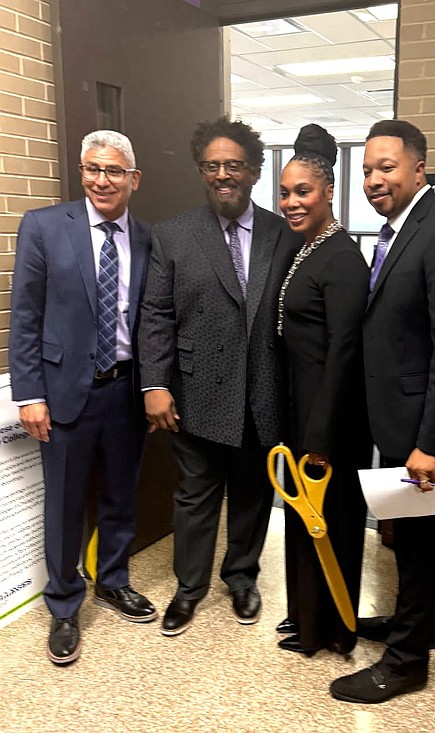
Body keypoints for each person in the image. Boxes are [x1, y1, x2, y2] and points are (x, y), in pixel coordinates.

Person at [330, 120, 435, 704]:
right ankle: (414, 627)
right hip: (396, 415)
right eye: (368, 169)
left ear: (418, 169)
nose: (374, 180)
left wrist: (430, 443)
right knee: (404, 536)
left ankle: (406, 664)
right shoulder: (397, 230)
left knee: (419, 542)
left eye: (386, 168)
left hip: (424, 424)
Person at [138, 116, 301, 636]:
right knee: (194, 497)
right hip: (194, 391)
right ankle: (189, 590)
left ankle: (242, 577)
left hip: (262, 391)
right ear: (202, 172)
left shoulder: (282, 233)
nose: (223, 175)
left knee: (253, 493)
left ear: (253, 171)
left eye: (233, 165)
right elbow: (156, 314)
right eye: (212, 167)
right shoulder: (172, 235)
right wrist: (155, 384)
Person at [9, 130, 156, 666]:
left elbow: (151, 321)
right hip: (64, 393)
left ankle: (113, 581)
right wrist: (28, 392)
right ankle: (65, 606)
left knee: (121, 496)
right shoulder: (45, 227)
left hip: (124, 390)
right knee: (67, 505)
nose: (101, 180)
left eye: (113, 171)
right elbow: (24, 315)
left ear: (133, 180)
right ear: (81, 171)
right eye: (92, 168)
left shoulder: (145, 237)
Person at [275, 125, 370, 656]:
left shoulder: (342, 259)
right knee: (302, 520)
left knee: (329, 523)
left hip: (329, 420)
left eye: (302, 192)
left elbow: (345, 351)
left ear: (329, 192)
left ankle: (331, 630)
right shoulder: (306, 249)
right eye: (285, 193)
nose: (291, 202)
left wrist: (320, 431)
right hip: (303, 408)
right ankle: (304, 618)